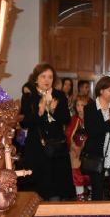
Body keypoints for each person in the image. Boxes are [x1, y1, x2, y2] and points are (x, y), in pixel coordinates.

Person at [20, 63, 75, 200]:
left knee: (57, 188)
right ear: (36, 79)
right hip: (37, 146)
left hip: (57, 147)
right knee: (38, 187)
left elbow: (66, 119)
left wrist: (52, 111)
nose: (47, 80)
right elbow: (24, 122)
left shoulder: (59, 95)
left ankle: (55, 216)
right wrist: (40, 112)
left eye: (50, 77)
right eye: (43, 76)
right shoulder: (29, 97)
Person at [65, 95, 91, 201]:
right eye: (77, 105)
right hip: (75, 151)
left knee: (90, 173)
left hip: (89, 151)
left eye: (82, 105)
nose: (79, 107)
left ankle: (91, 193)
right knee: (76, 174)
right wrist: (73, 145)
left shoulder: (92, 119)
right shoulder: (74, 119)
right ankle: (80, 196)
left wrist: (86, 145)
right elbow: (68, 133)